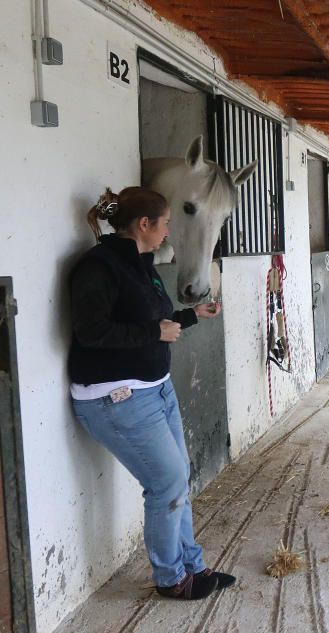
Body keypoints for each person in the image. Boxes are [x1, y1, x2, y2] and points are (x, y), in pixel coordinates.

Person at [69, 187, 235, 600]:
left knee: (176, 481)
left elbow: (151, 319)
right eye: (165, 224)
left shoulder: (139, 263)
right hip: (116, 397)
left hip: (155, 390)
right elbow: (92, 333)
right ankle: (171, 578)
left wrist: (189, 317)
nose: (168, 233)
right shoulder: (98, 267)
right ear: (144, 224)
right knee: (168, 484)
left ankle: (193, 567)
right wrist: (153, 331)